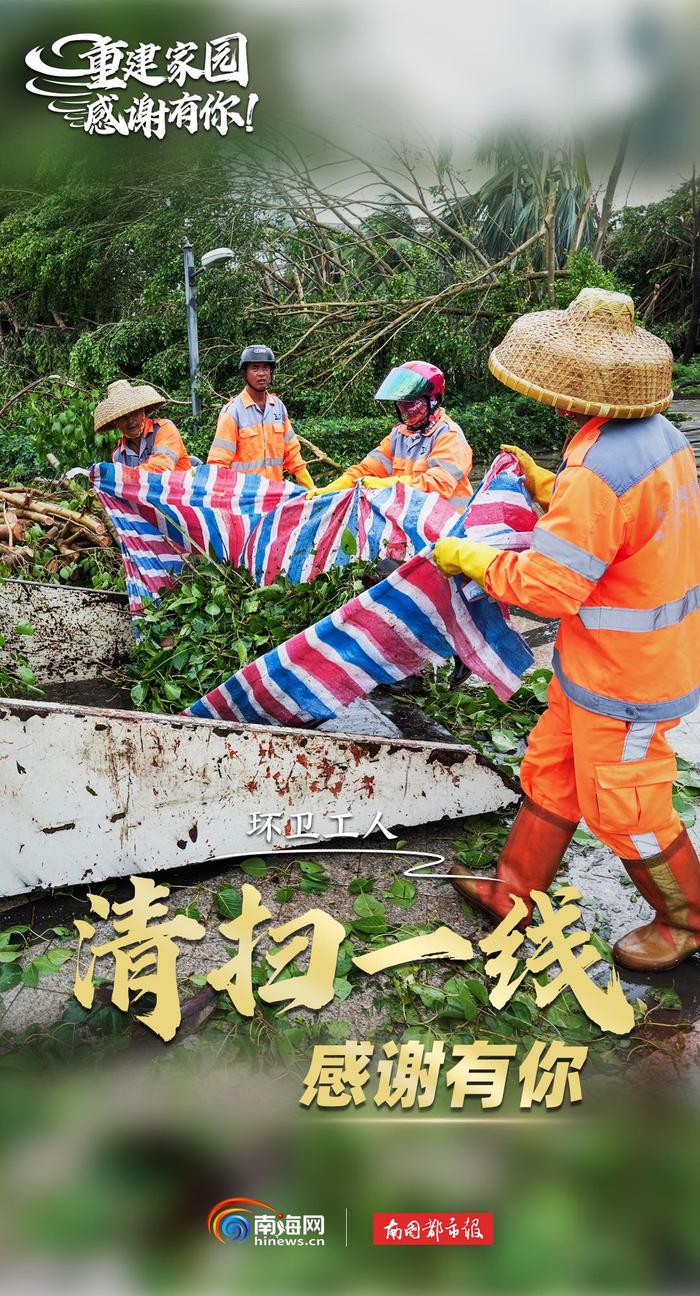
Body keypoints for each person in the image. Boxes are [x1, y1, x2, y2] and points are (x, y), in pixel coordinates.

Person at [433, 287, 700, 973]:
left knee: (629, 810)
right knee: (552, 772)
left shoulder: (600, 470)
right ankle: (514, 890)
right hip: (597, 665)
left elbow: (546, 587)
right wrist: (553, 490)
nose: (551, 397)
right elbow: (629, 530)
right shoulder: (656, 436)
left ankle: (687, 918)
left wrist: (475, 556)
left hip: (629, 681)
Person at [307, 361, 473, 506]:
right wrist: (332, 489)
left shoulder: (449, 436)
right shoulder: (399, 435)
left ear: (432, 400)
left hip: (451, 528)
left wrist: (385, 485)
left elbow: (437, 485)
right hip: (414, 524)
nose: (405, 408)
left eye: (411, 403)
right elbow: (367, 469)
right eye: (401, 403)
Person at [206, 345, 315, 489]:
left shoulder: (278, 408)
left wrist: (312, 489)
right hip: (244, 500)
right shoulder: (233, 412)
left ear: (271, 372)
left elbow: (292, 455)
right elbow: (218, 464)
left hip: (274, 497)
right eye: (255, 368)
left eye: (265, 368)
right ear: (244, 373)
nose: (261, 373)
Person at [94, 380, 192, 472]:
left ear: (143, 411)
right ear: (115, 423)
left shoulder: (164, 428)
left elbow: (161, 468)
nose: (130, 421)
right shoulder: (118, 455)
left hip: (181, 488)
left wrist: (126, 476)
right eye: (122, 418)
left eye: (134, 413)